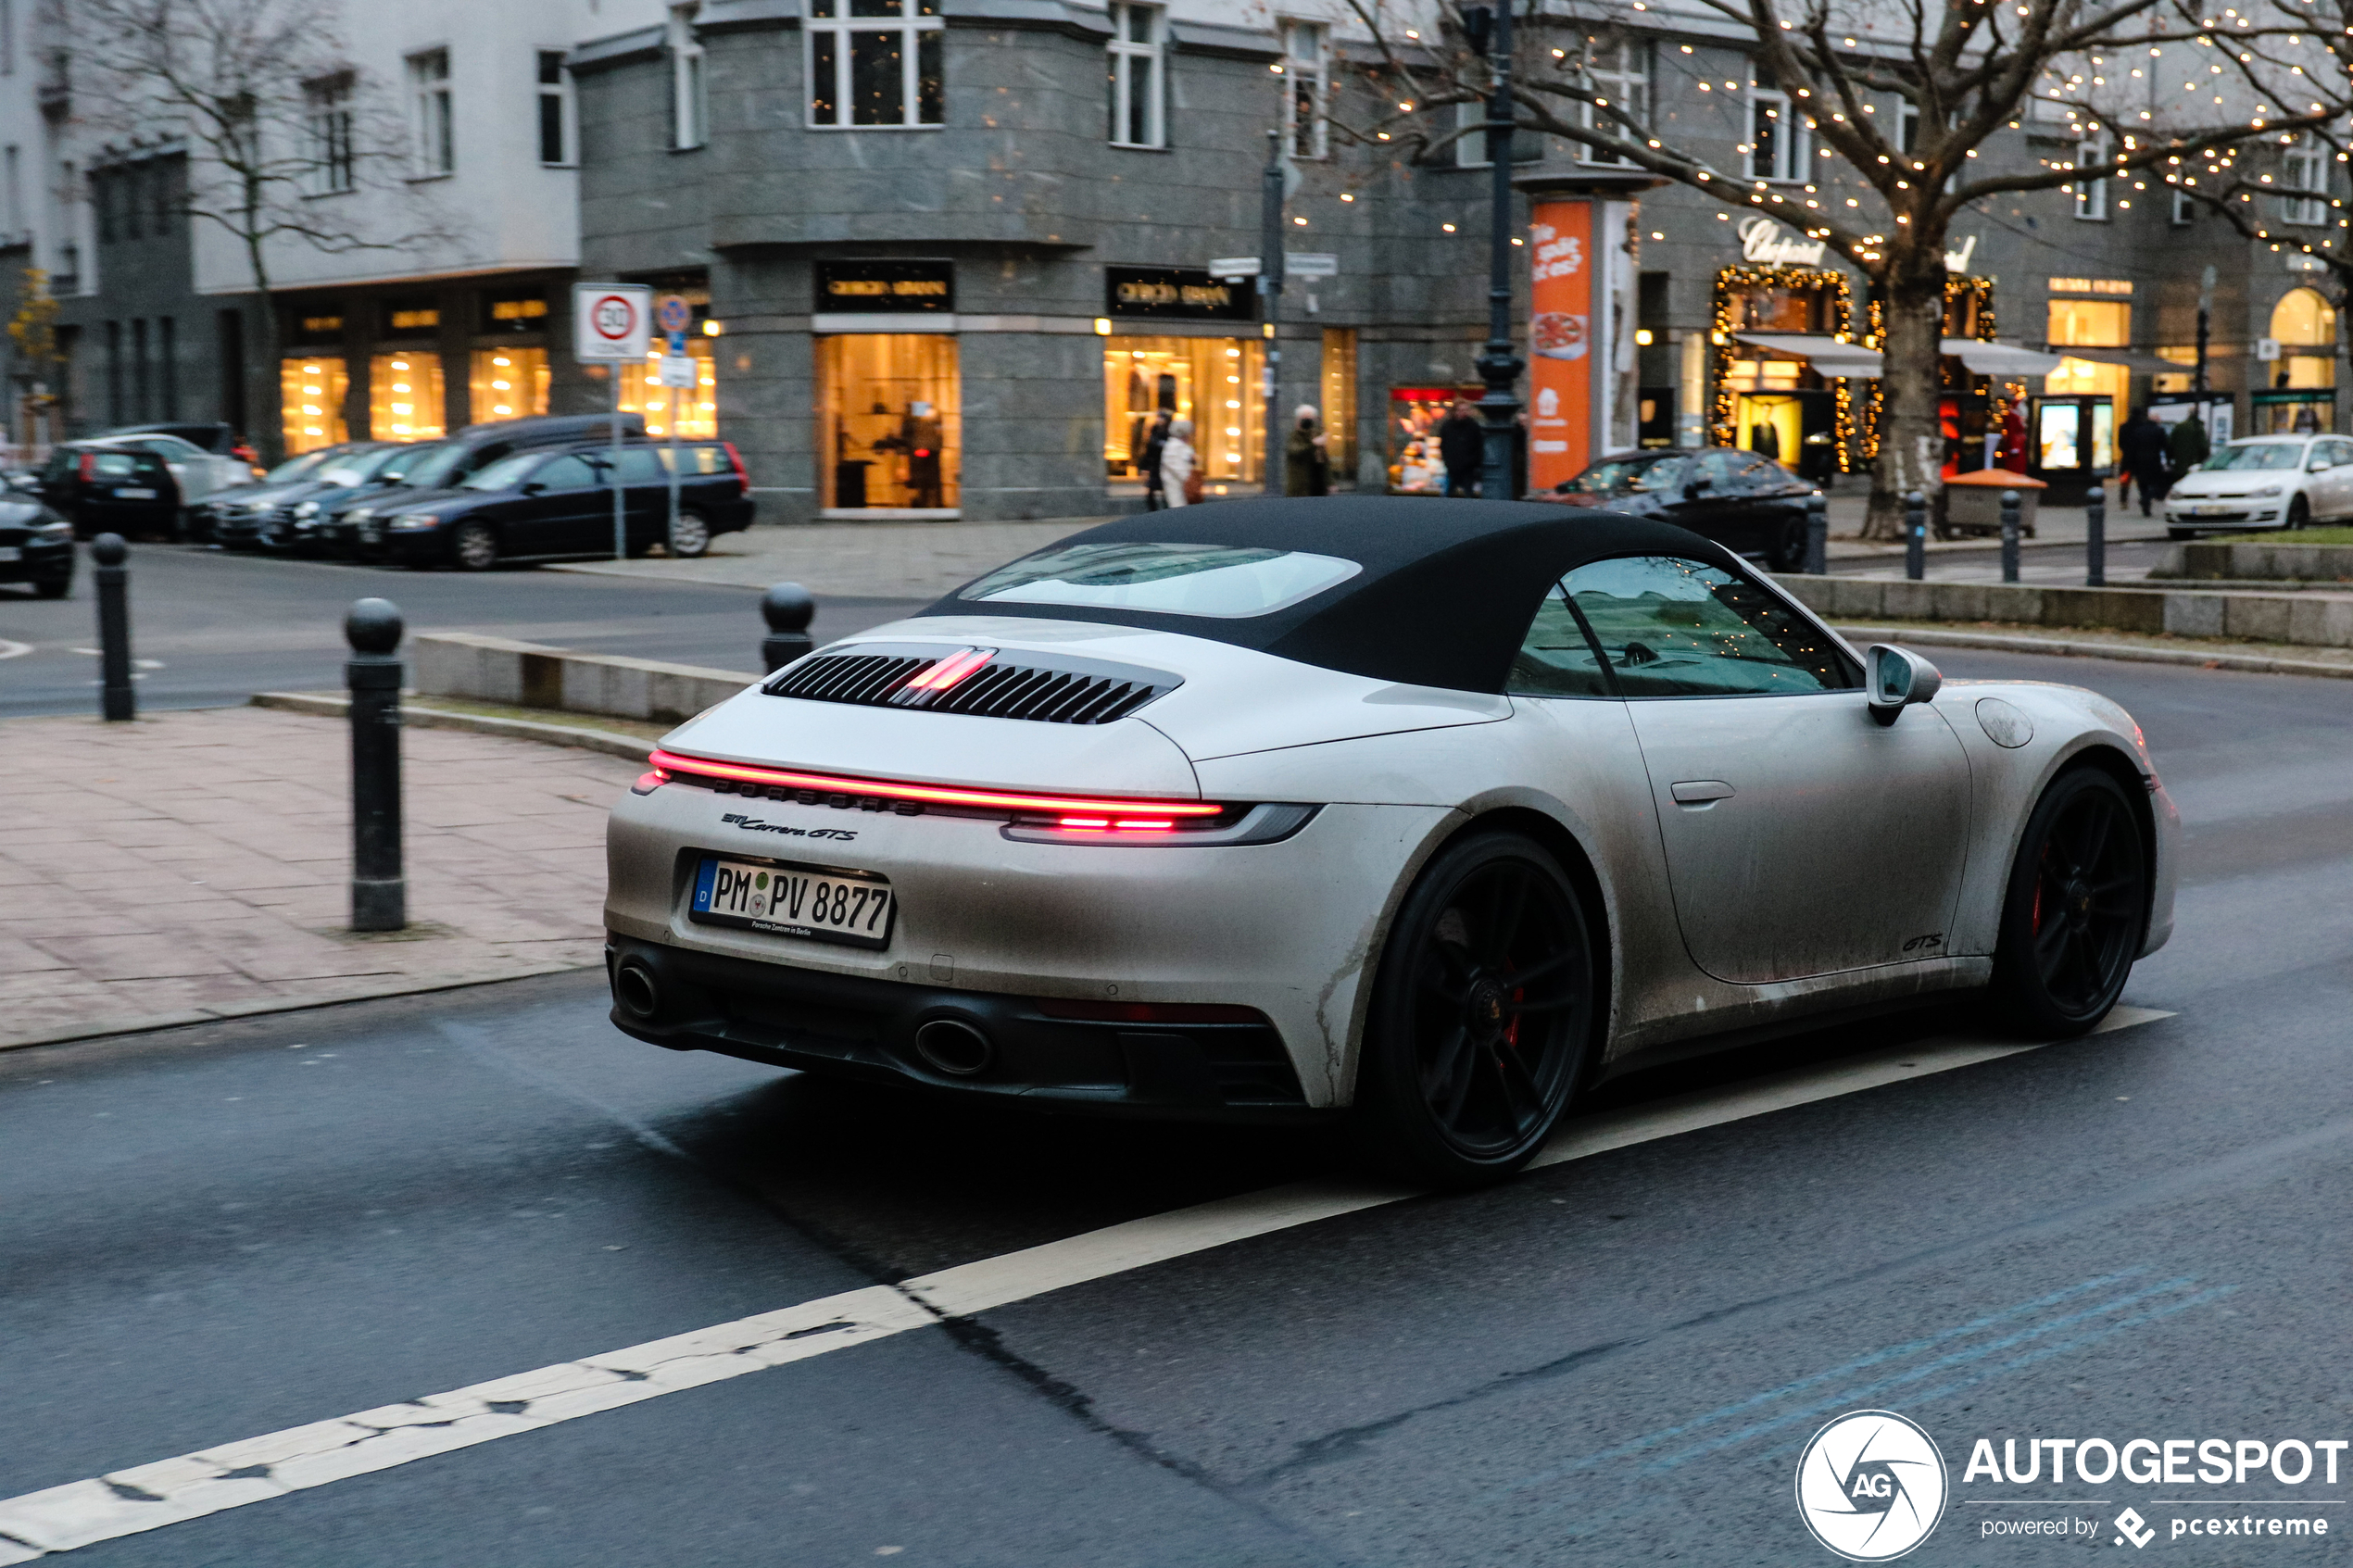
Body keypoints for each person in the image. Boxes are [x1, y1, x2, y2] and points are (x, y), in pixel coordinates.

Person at [2117, 407, 2171, 517]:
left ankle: (2128, 500)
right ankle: (2146, 500)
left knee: (2138, 483)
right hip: (2153, 461)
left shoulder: (2130, 428)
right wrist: (2169, 460)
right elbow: (2165, 446)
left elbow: (2123, 444)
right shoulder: (2157, 430)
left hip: (2136, 460)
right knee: (2155, 483)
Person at [1437, 399, 1485, 497]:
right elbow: (1444, 446)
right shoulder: (1447, 426)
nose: (1463, 413)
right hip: (1452, 468)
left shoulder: (1473, 426)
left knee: (1468, 494)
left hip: (1467, 469)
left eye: (1465, 410)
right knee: (1446, 494)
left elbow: (1478, 447)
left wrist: (1471, 463)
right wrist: (1448, 462)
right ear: (1455, 411)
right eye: (1460, 410)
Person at [1284, 404, 1330, 496]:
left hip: (1318, 485)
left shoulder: (1316, 433)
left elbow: (1325, 461)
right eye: (1304, 418)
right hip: (1300, 487)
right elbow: (1295, 451)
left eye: (1310, 418)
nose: (1307, 421)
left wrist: (1330, 482)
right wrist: (1313, 444)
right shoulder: (1294, 435)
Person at [1159, 417, 1198, 508]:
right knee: (1177, 505)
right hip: (1174, 482)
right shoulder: (1173, 445)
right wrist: (1186, 477)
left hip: (1183, 483)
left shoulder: (1184, 445)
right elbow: (1171, 463)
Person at [1139, 411, 1171, 509]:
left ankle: (1166, 509)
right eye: (1159, 418)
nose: (1159, 420)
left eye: (1162, 418)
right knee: (1151, 491)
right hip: (1155, 466)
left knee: (1166, 491)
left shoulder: (1168, 433)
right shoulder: (1154, 431)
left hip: (1165, 465)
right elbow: (1148, 451)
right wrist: (1144, 467)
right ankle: (1153, 510)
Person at [2167, 408, 2210, 478]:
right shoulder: (2198, 428)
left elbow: (2170, 445)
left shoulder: (2179, 427)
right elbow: (2203, 447)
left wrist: (2170, 460)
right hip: (2194, 464)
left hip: (2180, 464)